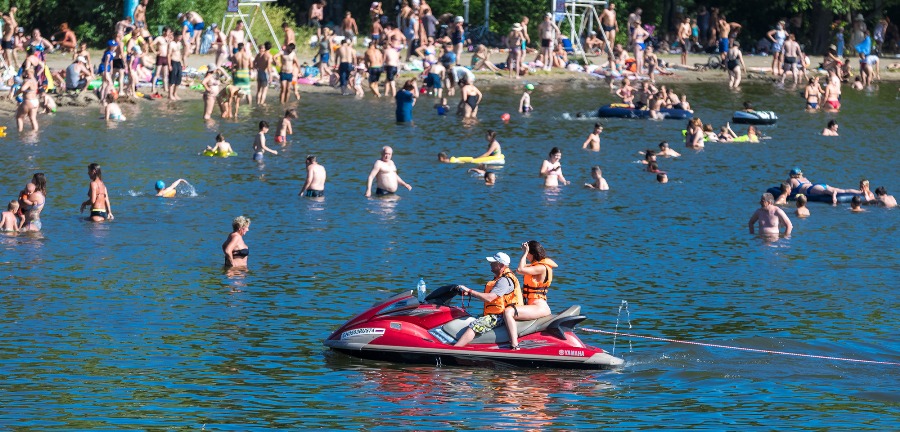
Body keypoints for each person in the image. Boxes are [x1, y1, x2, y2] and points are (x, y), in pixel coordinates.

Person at [453, 252, 523, 348]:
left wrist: (470, 290)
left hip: (500, 315)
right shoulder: (500, 278)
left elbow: (490, 298)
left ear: (501, 265)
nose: (490, 264)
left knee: (474, 325)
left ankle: (455, 349)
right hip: (496, 313)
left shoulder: (504, 281)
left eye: (493, 262)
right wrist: (469, 294)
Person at [501, 241, 558, 350]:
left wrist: (524, 252)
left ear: (532, 253)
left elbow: (521, 269)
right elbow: (519, 269)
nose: (526, 256)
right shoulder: (535, 266)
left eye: (527, 254)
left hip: (539, 307)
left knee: (509, 311)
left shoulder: (542, 267)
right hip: (533, 305)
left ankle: (514, 345)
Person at [787, 167, 860, 205]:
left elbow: (788, 189)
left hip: (810, 189)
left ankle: (833, 194)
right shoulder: (804, 178)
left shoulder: (792, 180)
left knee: (824, 191)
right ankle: (860, 192)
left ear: (792, 175)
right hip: (817, 185)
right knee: (843, 190)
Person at [253, 41, 274, 105]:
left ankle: (257, 103)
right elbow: (269, 66)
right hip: (265, 73)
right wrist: (270, 76)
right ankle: (262, 103)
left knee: (258, 90)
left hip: (259, 72)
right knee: (264, 90)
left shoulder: (259, 55)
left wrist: (256, 67)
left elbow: (254, 62)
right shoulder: (269, 56)